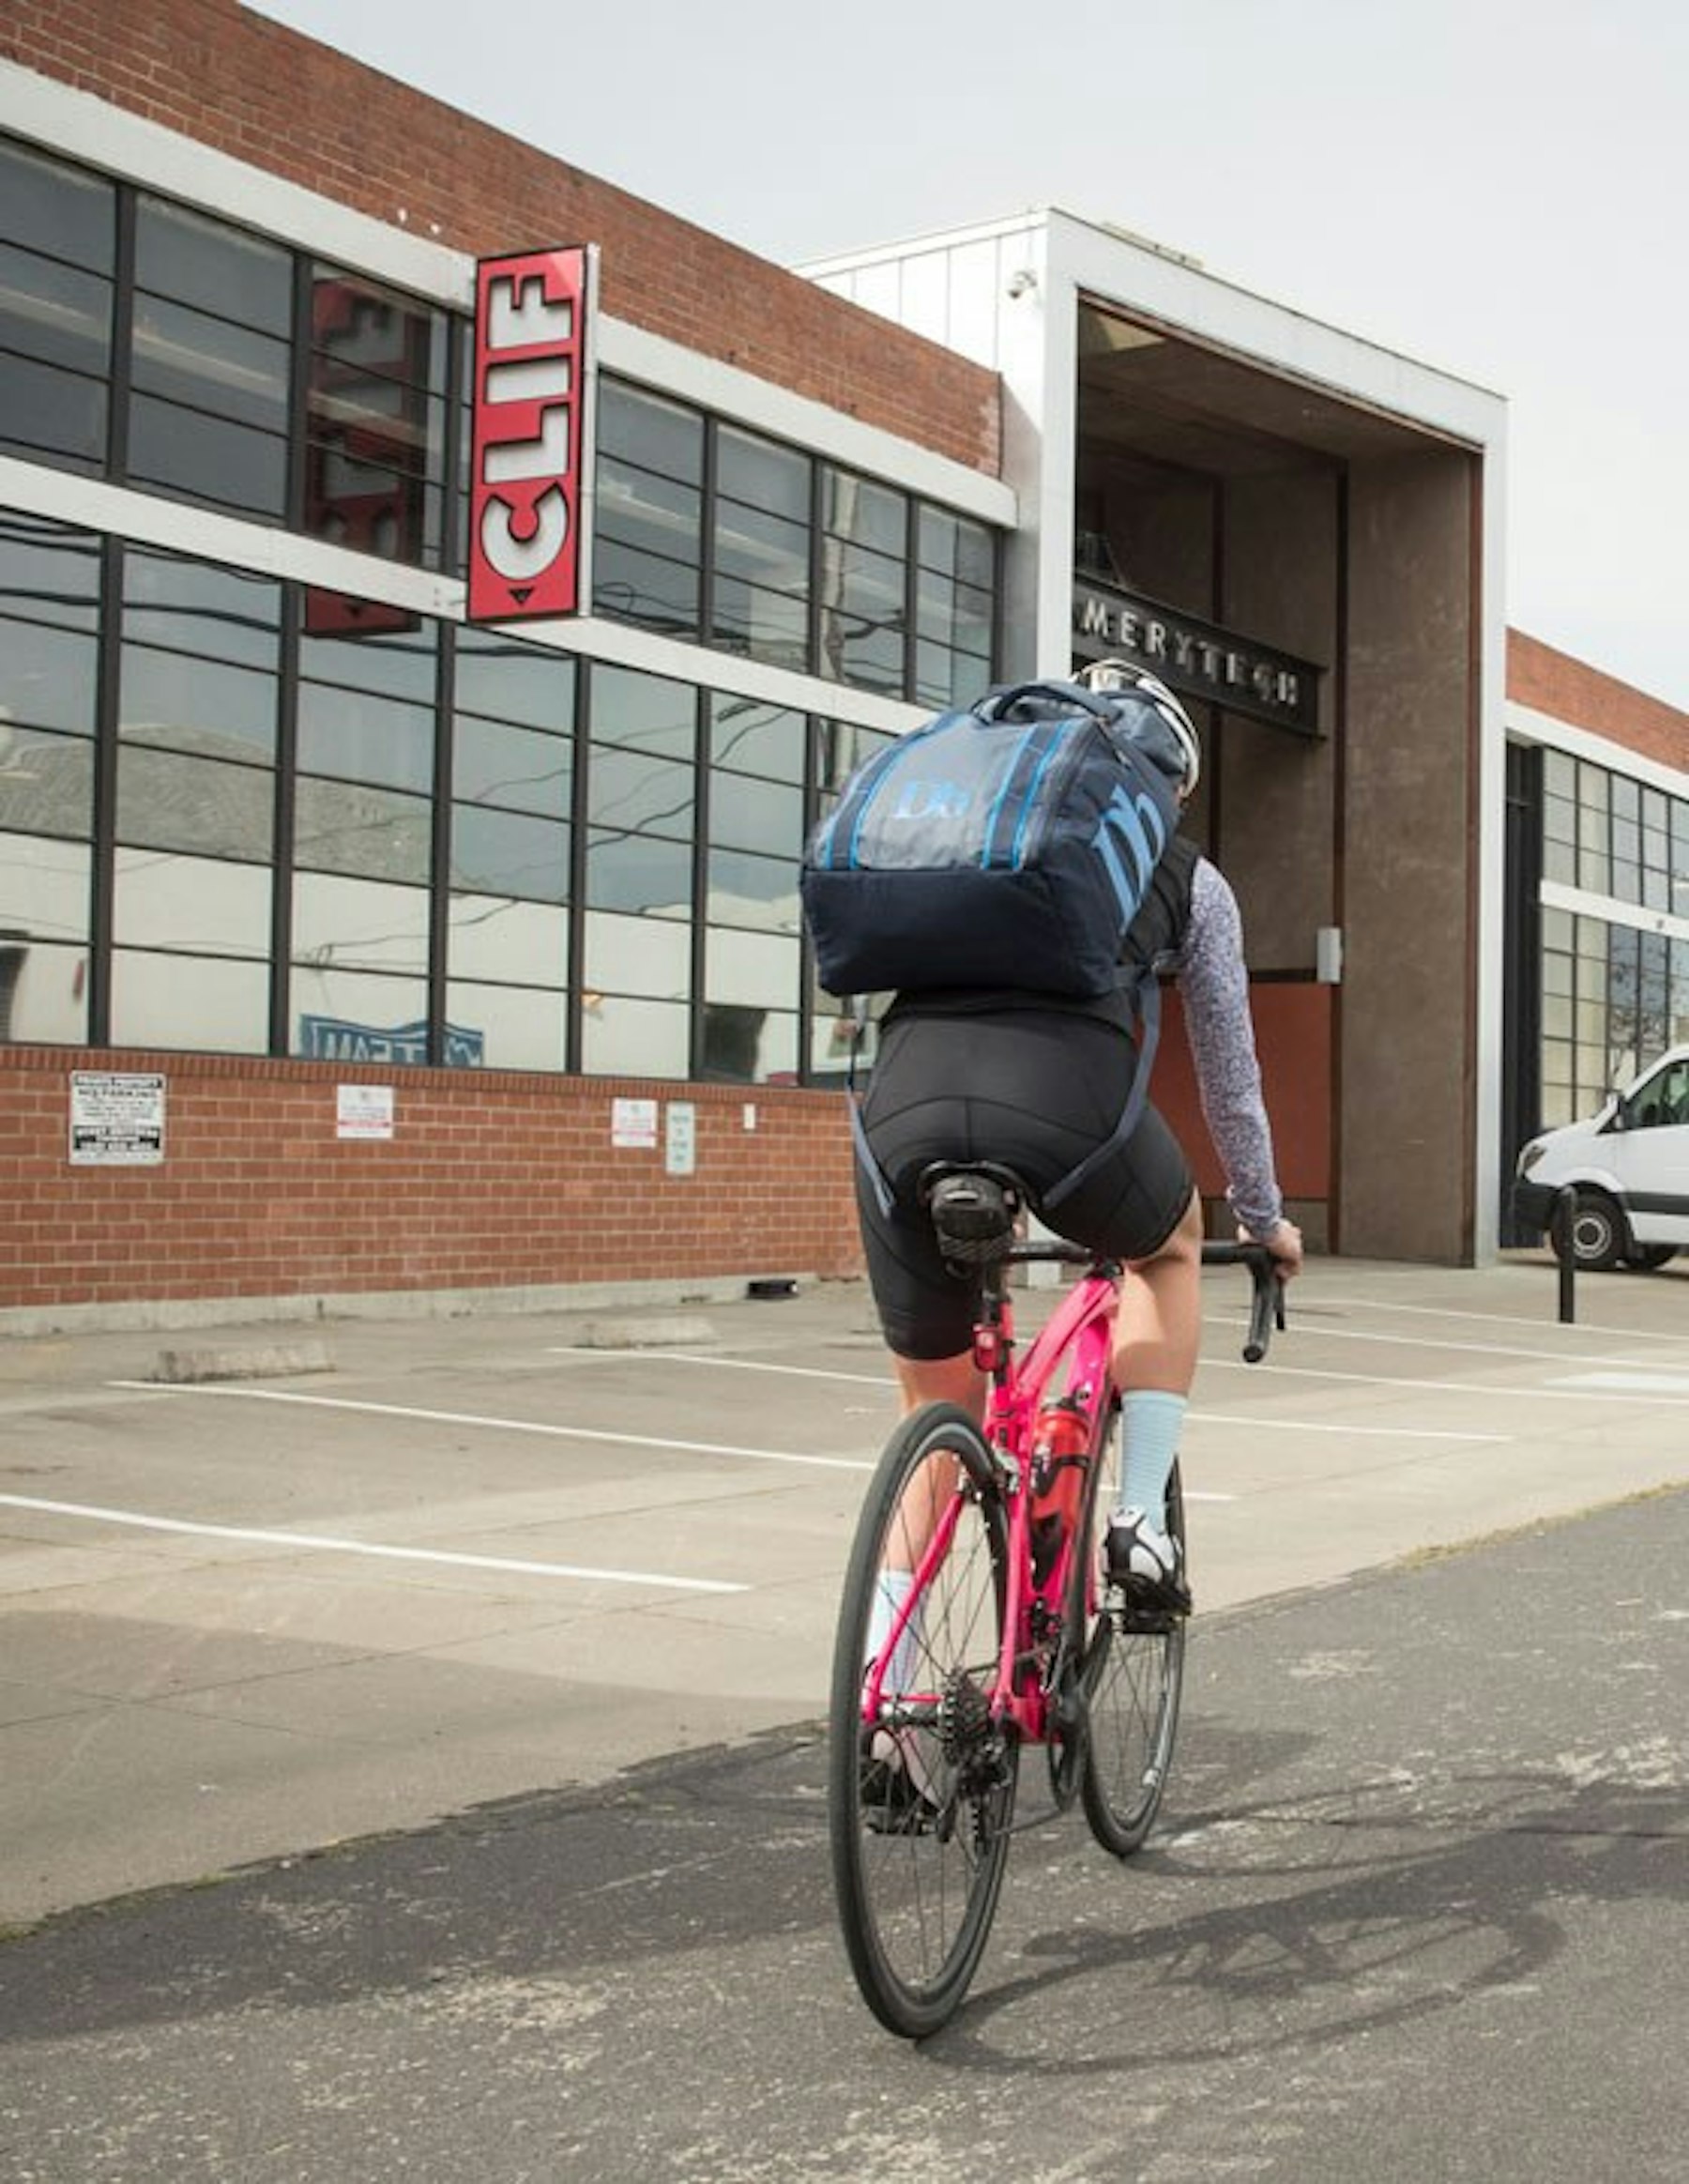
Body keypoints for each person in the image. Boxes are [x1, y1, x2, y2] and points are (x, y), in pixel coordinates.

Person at [854, 659, 1302, 1678]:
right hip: (1069, 1112)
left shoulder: (968, 828)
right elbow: (1232, 1075)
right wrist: (1267, 1218)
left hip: (900, 1111)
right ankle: (1140, 1519)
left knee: (935, 1419)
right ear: (1167, 782)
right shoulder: (1184, 870)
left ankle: (889, 1702)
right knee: (1168, 1245)